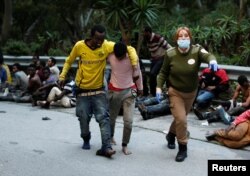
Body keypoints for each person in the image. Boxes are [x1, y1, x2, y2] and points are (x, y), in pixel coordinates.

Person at [58, 24, 138, 158]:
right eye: (97, 39)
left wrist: (135, 67)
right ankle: (86, 138)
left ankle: (106, 147)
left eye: (102, 39)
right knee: (83, 117)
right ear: (91, 36)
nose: (99, 42)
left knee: (103, 118)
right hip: (82, 89)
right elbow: (68, 61)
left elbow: (129, 49)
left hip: (99, 89)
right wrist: (62, 76)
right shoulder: (79, 46)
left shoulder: (106, 46)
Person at [156, 26, 218, 162]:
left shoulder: (196, 50)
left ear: (190, 38)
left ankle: (171, 135)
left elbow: (207, 55)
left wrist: (212, 61)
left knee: (180, 118)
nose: (183, 38)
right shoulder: (170, 54)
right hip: (175, 92)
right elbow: (163, 73)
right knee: (182, 120)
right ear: (176, 39)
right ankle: (183, 148)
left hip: (191, 93)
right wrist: (159, 88)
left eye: (186, 36)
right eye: (180, 36)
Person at [107, 42, 143, 155]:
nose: (118, 58)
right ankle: (111, 137)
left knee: (128, 122)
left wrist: (140, 88)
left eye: (121, 56)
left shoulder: (132, 58)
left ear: (126, 53)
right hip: (114, 90)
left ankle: (124, 145)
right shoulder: (110, 55)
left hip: (130, 90)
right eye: (117, 56)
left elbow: (138, 73)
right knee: (111, 118)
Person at [143, 26, 171, 97]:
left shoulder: (157, 38)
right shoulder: (147, 39)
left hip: (162, 58)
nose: (143, 34)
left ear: (149, 32)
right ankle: (153, 93)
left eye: (145, 32)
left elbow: (168, 47)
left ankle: (157, 92)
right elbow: (152, 50)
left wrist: (172, 56)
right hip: (154, 59)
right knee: (151, 76)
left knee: (153, 73)